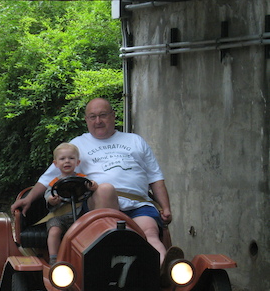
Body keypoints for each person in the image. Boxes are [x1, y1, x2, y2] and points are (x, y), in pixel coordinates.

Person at [11, 97, 180, 266]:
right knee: (106, 189)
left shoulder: (135, 141)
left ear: (113, 116)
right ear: (86, 120)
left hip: (138, 204)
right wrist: (29, 199)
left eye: (103, 115)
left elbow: (155, 177)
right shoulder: (77, 145)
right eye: (92, 117)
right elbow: (50, 177)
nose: (98, 121)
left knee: (150, 232)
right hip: (98, 202)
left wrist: (165, 208)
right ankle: (119, 247)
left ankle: (162, 269)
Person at [44, 143, 98, 265]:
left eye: (71, 158)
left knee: (88, 231)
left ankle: (86, 257)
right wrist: (51, 199)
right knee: (54, 231)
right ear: (56, 164)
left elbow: (90, 185)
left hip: (79, 216)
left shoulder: (82, 178)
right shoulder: (54, 182)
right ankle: (54, 258)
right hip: (59, 217)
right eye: (62, 159)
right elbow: (47, 195)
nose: (67, 161)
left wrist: (93, 185)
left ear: (77, 162)